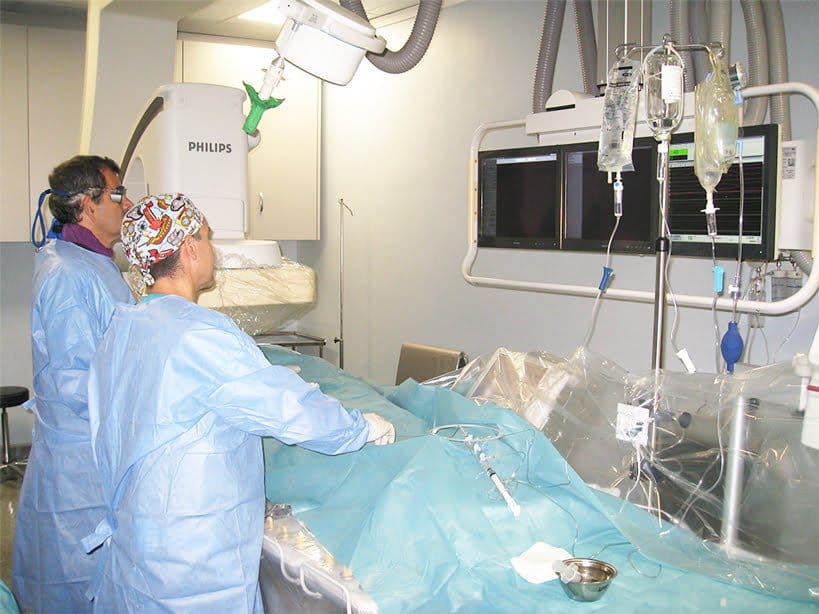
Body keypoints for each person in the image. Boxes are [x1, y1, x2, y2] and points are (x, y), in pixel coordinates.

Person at [85, 193, 395, 612]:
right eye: (207, 237)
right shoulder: (199, 334)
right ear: (190, 248)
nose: (212, 250)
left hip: (138, 536)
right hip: (191, 555)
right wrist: (361, 427)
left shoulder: (123, 326)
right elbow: (290, 411)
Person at [12, 155, 135, 613]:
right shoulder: (67, 273)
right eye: (118, 194)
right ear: (87, 204)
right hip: (81, 457)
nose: (128, 204)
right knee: (76, 571)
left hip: (95, 444)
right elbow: (75, 382)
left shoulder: (92, 263)